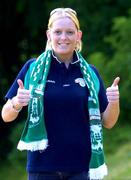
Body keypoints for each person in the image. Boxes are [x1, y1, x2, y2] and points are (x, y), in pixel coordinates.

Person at [1, 8, 120, 180]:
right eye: (58, 32)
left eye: (69, 32)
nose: (63, 37)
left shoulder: (90, 73)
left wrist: (114, 101)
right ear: (49, 35)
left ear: (78, 36)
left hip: (81, 168)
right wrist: (17, 103)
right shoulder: (32, 68)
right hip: (41, 168)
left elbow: (108, 122)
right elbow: (6, 115)